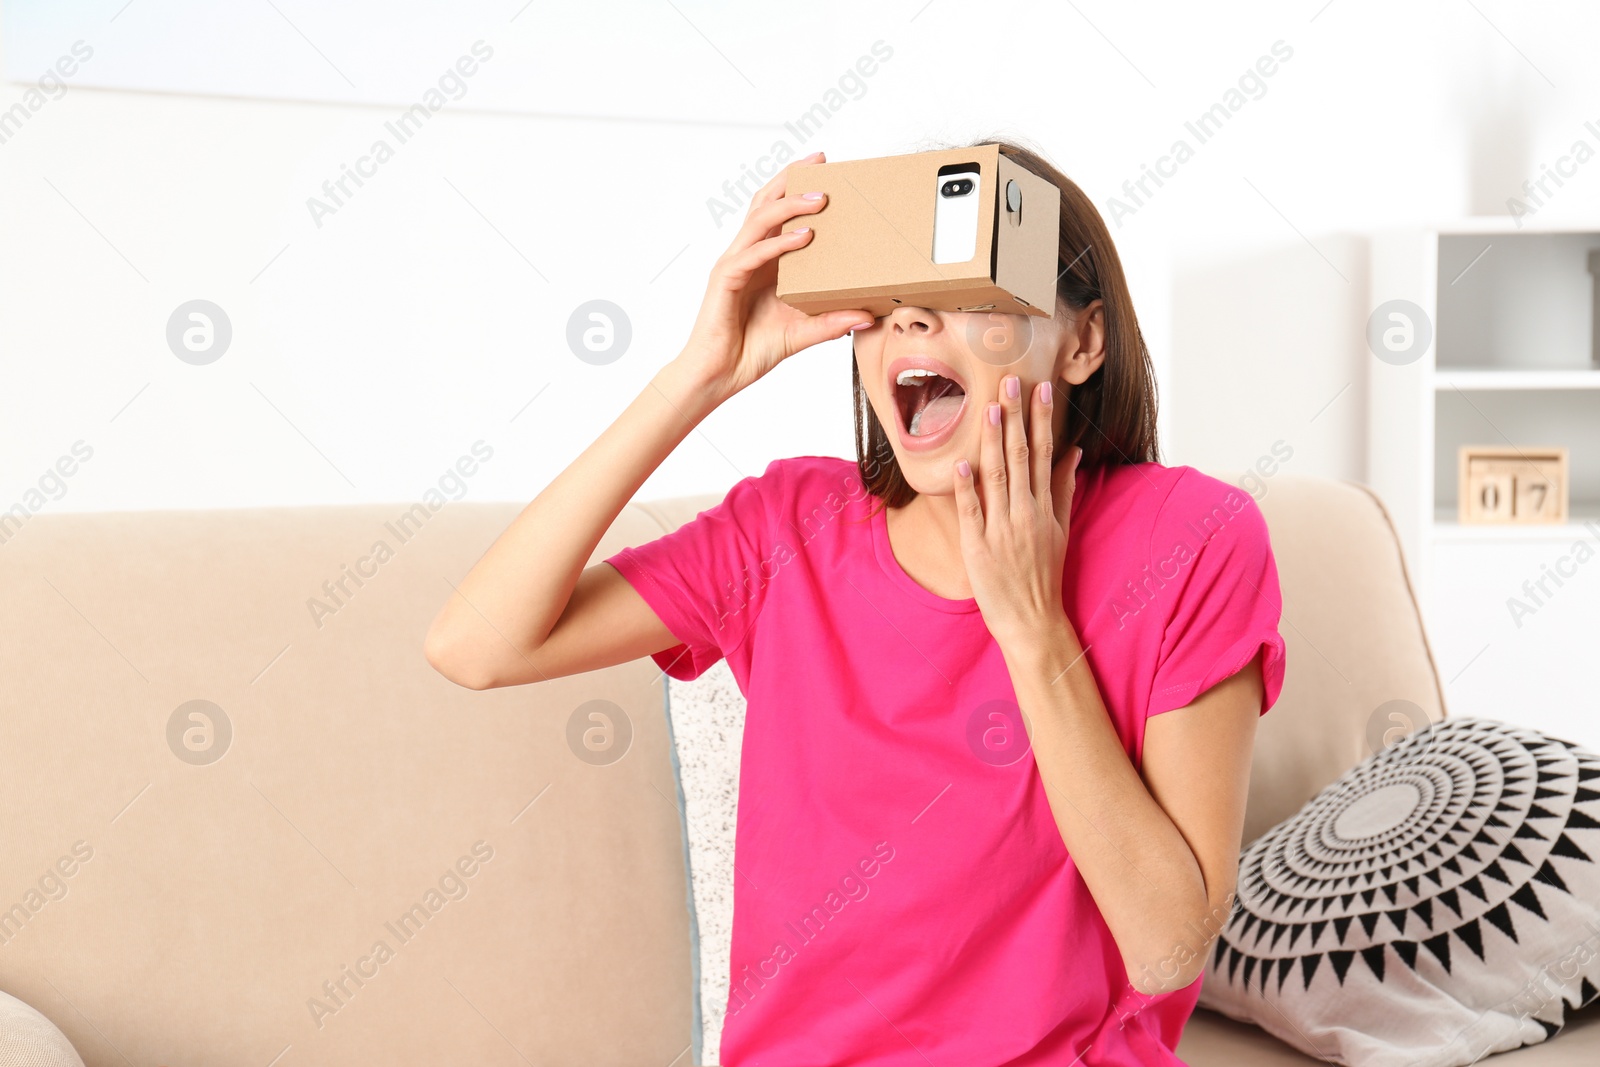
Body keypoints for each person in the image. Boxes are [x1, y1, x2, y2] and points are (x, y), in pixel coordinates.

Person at [424, 137, 1288, 1066]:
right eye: (890, 305)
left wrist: (1032, 629)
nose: (913, 323)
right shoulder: (789, 526)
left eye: (971, 299)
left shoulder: (1190, 540)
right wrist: (700, 374)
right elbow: (476, 646)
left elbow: (1168, 948)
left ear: (1082, 341)